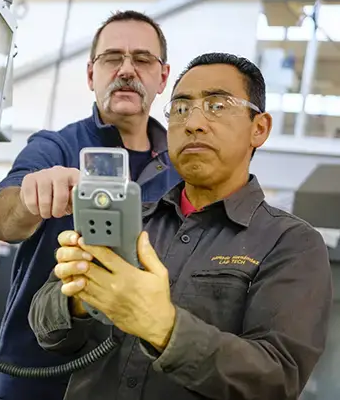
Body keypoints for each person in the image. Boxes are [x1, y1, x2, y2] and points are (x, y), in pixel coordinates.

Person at [28, 52, 333, 400]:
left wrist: (164, 327)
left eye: (217, 106)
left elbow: (276, 380)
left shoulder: (291, 244)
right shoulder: (128, 218)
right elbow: (45, 330)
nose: (193, 123)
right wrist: (79, 298)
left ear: (259, 128)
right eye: (181, 108)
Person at [0, 10, 181, 400]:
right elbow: (3, 222)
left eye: (142, 59)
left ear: (163, 77)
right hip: (37, 382)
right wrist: (29, 197)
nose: (127, 69)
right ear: (92, 74)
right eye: (113, 58)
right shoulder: (55, 147)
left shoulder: (182, 170)